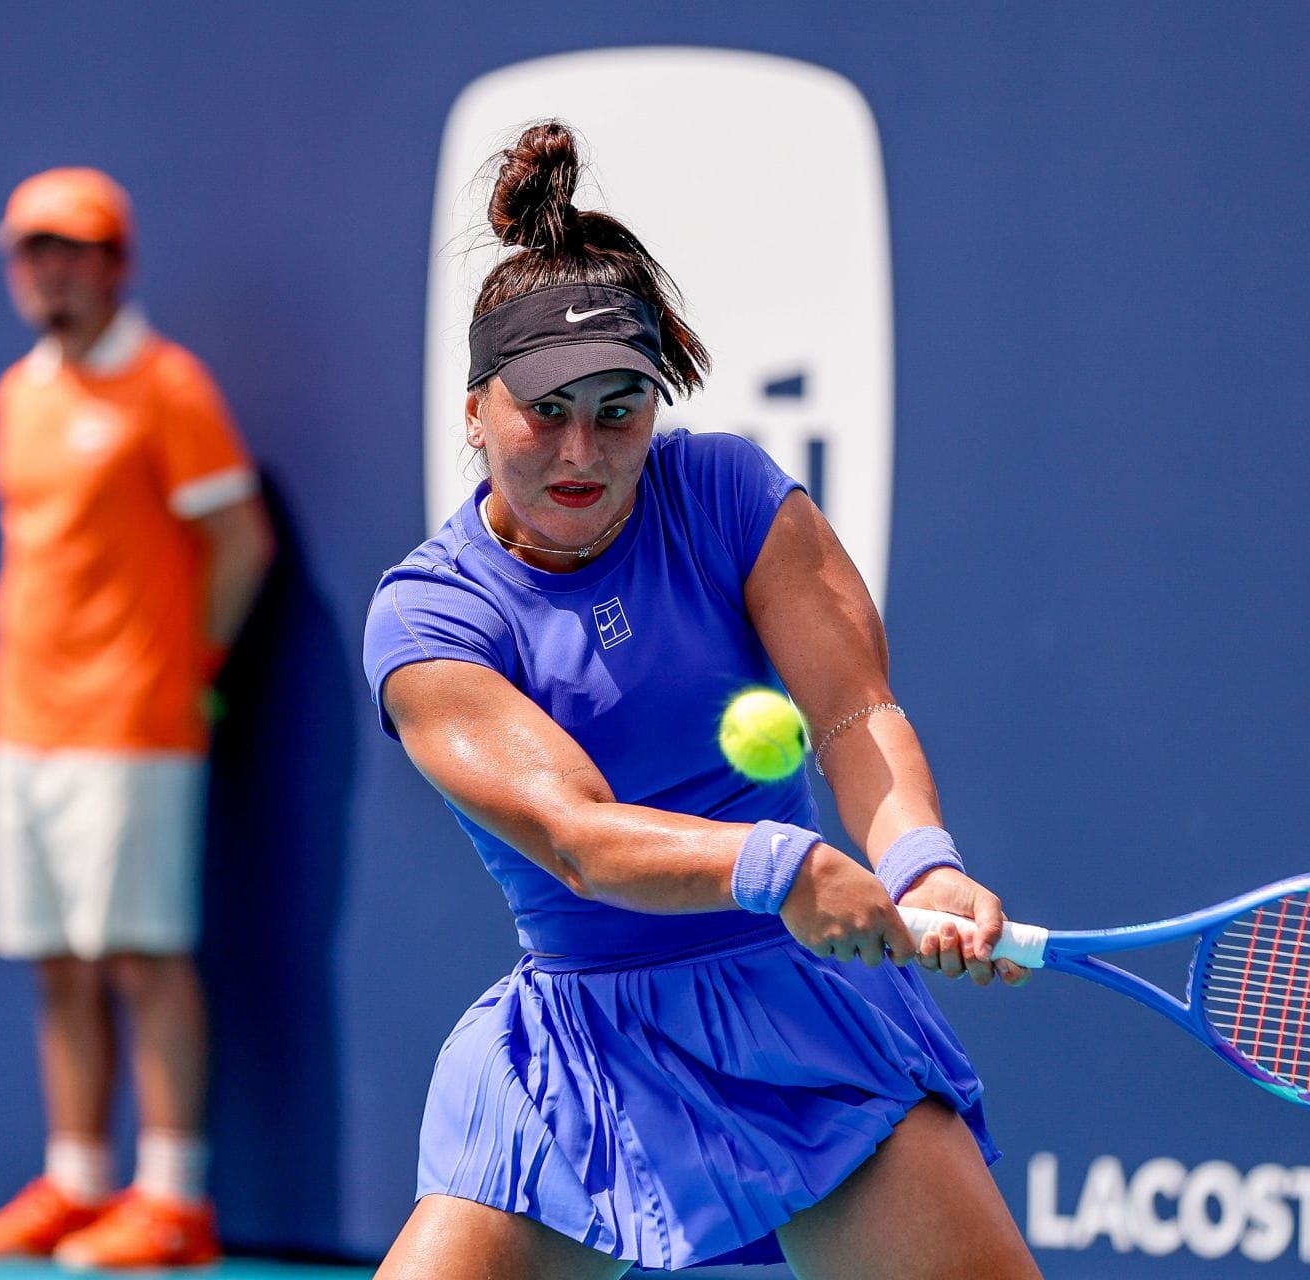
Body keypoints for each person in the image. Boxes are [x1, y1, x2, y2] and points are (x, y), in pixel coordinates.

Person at [363, 121, 1043, 1279]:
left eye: (619, 407)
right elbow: (576, 836)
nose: (582, 448)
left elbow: (852, 712)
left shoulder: (729, 492)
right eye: (544, 408)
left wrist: (922, 860)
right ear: (476, 409)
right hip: (577, 1047)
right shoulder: (429, 619)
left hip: (798, 1013)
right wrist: (781, 865)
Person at [0, 167, 275, 1270]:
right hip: (20, 715)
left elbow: (240, 541)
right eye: (34, 252)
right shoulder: (16, 390)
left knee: (142, 953)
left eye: (72, 251)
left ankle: (174, 1196)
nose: (49, 270)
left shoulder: (168, 385)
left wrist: (194, 666)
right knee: (57, 960)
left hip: (132, 714)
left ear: (117, 265)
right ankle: (78, 1180)